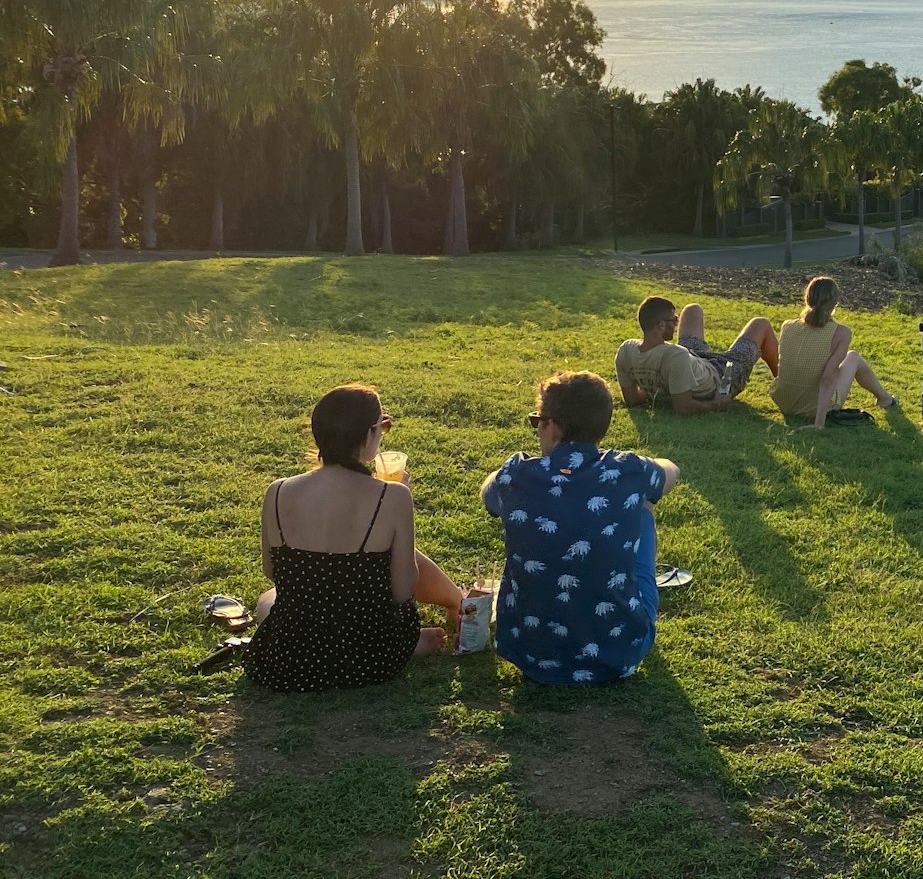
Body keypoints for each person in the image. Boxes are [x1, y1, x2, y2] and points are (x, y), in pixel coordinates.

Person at [243, 384, 466, 692]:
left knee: (268, 600)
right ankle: (447, 610)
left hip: (289, 661)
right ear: (367, 436)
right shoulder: (393, 496)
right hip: (371, 658)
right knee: (395, 561)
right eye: (383, 426)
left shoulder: (277, 490)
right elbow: (402, 591)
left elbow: (272, 572)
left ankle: (444, 609)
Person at [482, 371, 680, 685]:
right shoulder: (628, 469)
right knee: (643, 507)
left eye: (538, 422)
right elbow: (672, 470)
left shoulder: (516, 475)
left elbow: (488, 495)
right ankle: (634, 607)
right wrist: (643, 466)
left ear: (553, 426)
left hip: (529, 653)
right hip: (620, 653)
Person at [769, 275, 900, 428]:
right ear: (835, 302)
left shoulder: (787, 326)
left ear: (807, 298)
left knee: (839, 362)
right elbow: (827, 379)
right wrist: (819, 423)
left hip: (783, 401)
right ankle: (885, 399)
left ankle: (885, 398)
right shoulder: (841, 333)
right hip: (811, 408)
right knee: (854, 357)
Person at [614, 295, 778, 415]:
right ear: (661, 325)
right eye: (673, 320)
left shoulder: (626, 350)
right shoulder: (675, 356)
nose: (677, 323)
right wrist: (716, 404)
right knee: (760, 323)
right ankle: (782, 383)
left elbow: (632, 399)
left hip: (691, 360)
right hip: (720, 374)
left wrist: (658, 391)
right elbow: (683, 407)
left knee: (692, 309)